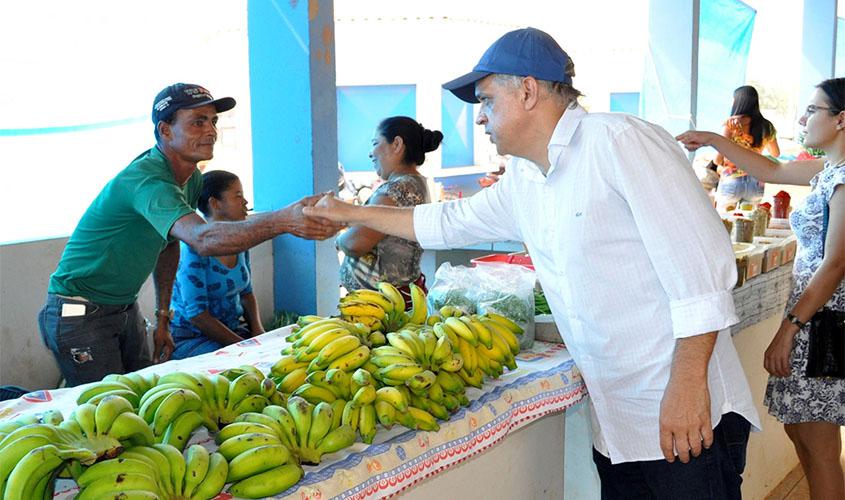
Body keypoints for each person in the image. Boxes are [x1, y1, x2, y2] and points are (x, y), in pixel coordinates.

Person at [305, 27, 759, 498]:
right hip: (620, 422)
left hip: (683, 411)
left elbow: (702, 274)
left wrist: (686, 388)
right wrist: (349, 212)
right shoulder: (527, 176)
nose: (480, 119)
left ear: (527, 90)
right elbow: (449, 221)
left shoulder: (619, 142)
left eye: (485, 101)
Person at [38, 83, 341, 387]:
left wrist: (162, 317)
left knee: (138, 400)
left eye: (213, 121)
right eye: (198, 122)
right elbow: (202, 239)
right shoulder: (147, 180)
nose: (210, 131)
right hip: (79, 312)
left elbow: (169, 246)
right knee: (106, 410)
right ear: (165, 131)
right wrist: (283, 220)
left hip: (124, 308)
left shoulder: (191, 178)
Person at [677, 77, 845, 500]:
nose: (803, 119)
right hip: (813, 318)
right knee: (802, 434)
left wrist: (788, 328)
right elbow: (769, 169)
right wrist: (714, 138)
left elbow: (836, 264)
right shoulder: (830, 170)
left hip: (823, 324)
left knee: (819, 445)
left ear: (841, 119)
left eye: (813, 110)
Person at [338, 116, 442, 305]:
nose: (371, 153)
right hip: (399, 296)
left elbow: (356, 243)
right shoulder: (416, 183)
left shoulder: (398, 188)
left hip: (383, 306)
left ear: (396, 144)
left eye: (375, 143)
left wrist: (339, 239)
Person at [169, 170, 265, 359]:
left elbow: (247, 293)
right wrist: (241, 346)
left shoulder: (238, 240)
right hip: (193, 339)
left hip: (233, 332)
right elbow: (197, 314)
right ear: (215, 204)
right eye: (238, 196)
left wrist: (258, 331)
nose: (245, 202)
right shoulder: (193, 249)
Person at [714, 85, 780, 210]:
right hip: (756, 183)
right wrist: (759, 144)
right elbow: (775, 153)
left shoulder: (730, 124)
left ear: (738, 101)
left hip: (732, 181)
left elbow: (718, 159)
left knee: (724, 224)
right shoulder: (767, 126)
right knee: (748, 225)